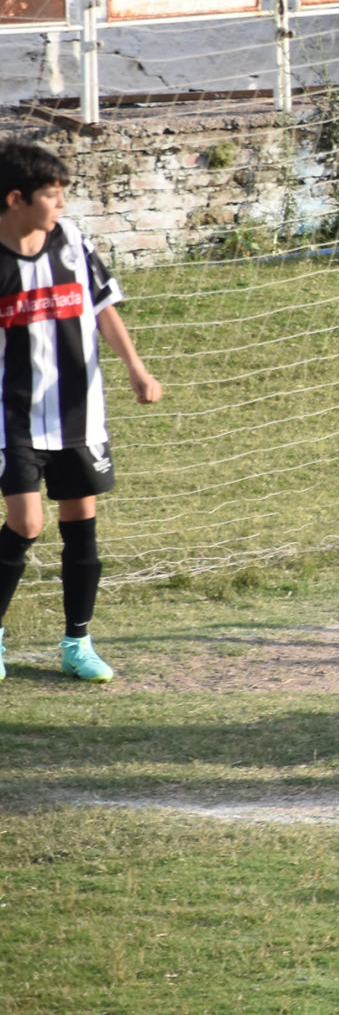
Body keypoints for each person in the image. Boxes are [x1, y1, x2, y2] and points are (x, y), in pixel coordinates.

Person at [0, 139, 163, 683]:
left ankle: (78, 641)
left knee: (81, 523)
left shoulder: (71, 241)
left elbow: (103, 307)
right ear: (15, 198)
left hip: (77, 412)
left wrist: (137, 370)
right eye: (52, 195)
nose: (62, 204)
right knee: (26, 523)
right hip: (13, 416)